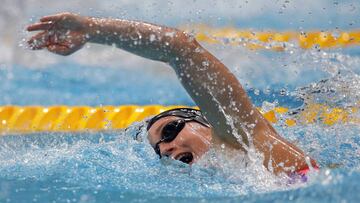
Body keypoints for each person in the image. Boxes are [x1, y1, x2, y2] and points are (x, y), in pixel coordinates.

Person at [27, 12, 318, 176]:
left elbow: (179, 48)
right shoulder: (236, 178)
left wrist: (94, 30)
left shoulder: (251, 142)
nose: (166, 148)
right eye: (159, 150)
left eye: (170, 130)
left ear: (207, 121)